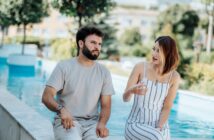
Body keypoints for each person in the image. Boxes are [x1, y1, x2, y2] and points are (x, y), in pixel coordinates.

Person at [42, 26, 115, 140]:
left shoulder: (104, 72)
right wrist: (61, 110)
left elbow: (106, 105)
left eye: (99, 44)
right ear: (81, 44)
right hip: (67, 122)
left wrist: (102, 123)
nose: (97, 47)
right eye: (93, 43)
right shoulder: (64, 66)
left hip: (92, 125)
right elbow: (46, 96)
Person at [123, 36, 180, 140]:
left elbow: (167, 107)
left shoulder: (174, 77)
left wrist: (159, 127)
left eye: (158, 51)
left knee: (159, 136)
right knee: (156, 137)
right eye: (154, 49)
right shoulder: (140, 67)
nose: (154, 54)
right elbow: (125, 99)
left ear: (167, 54)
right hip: (135, 124)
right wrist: (131, 90)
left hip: (160, 125)